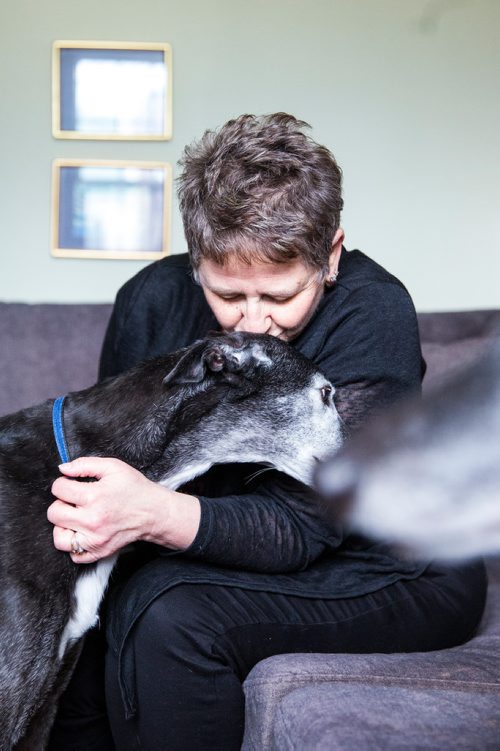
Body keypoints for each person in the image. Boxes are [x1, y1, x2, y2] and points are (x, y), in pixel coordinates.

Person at [47, 113, 487, 750]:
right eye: (228, 294)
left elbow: (308, 525)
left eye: (280, 298)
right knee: (84, 630)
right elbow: (118, 458)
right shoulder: (149, 299)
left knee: (171, 617)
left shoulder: (373, 311)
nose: (251, 324)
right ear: (196, 261)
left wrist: (149, 514)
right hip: (231, 548)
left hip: (394, 565)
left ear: (330, 255)